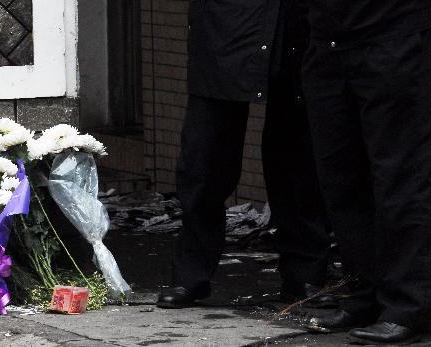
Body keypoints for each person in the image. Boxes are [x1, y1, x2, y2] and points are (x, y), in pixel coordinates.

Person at [157, 0, 333, 309]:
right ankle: (191, 274)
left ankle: (305, 272)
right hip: (224, 22)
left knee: (297, 155)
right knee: (206, 154)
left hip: (293, 19)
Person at [301, 0, 431, 344]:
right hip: (327, 43)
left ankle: (408, 307)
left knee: (399, 179)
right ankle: (365, 296)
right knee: (342, 181)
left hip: (392, 37)